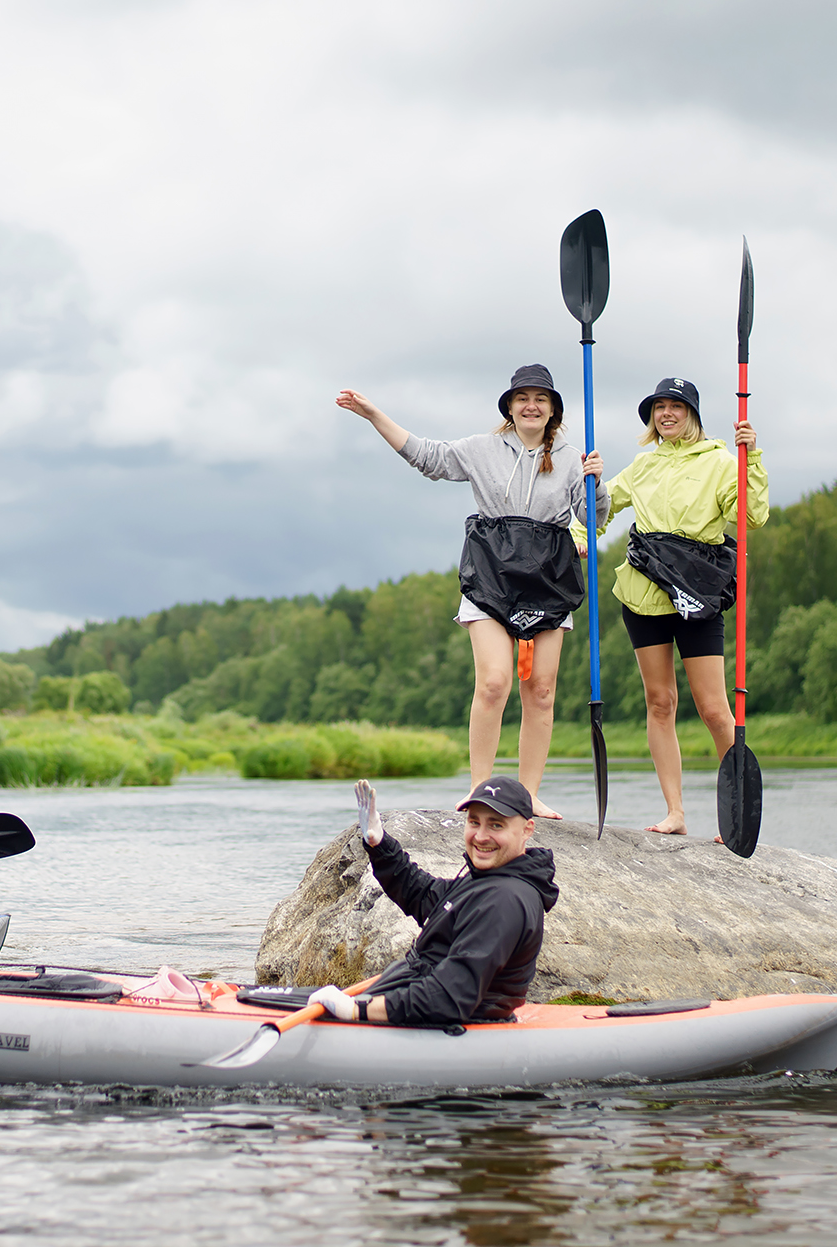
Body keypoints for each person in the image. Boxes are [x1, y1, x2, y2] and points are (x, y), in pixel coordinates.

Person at [336, 366, 607, 820]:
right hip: (491, 575)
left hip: (548, 578)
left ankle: (529, 793)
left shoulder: (573, 458)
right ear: (509, 406)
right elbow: (427, 457)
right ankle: (481, 787)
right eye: (522, 397)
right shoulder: (482, 449)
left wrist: (597, 483)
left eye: (540, 398)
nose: (531, 405)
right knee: (496, 680)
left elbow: (594, 519)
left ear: (553, 408)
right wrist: (372, 414)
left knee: (541, 690)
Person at [593, 377, 767, 835]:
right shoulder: (642, 466)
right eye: (659, 408)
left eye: (676, 406)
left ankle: (737, 814)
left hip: (697, 594)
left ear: (693, 413)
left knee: (713, 707)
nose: (666, 414)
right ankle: (675, 813)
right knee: (660, 701)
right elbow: (599, 511)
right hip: (644, 594)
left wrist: (754, 457)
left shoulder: (721, 462)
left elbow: (750, 515)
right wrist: (589, 482)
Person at [308, 777, 559, 1027]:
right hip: (416, 998)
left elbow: (447, 997)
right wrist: (379, 844)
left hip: (445, 1019)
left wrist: (355, 1009)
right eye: (474, 822)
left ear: (527, 829)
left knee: (301, 1003)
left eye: (496, 825)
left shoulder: (504, 901)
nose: (481, 837)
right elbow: (426, 896)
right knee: (289, 998)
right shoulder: (490, 878)